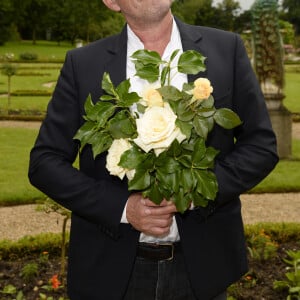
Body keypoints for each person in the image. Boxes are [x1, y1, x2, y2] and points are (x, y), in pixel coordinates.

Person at [28, 0, 279, 299]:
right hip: (112, 274)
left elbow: (261, 146)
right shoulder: (83, 64)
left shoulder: (227, 49)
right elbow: (44, 162)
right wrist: (123, 209)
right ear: (111, 2)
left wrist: (198, 193)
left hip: (202, 269)